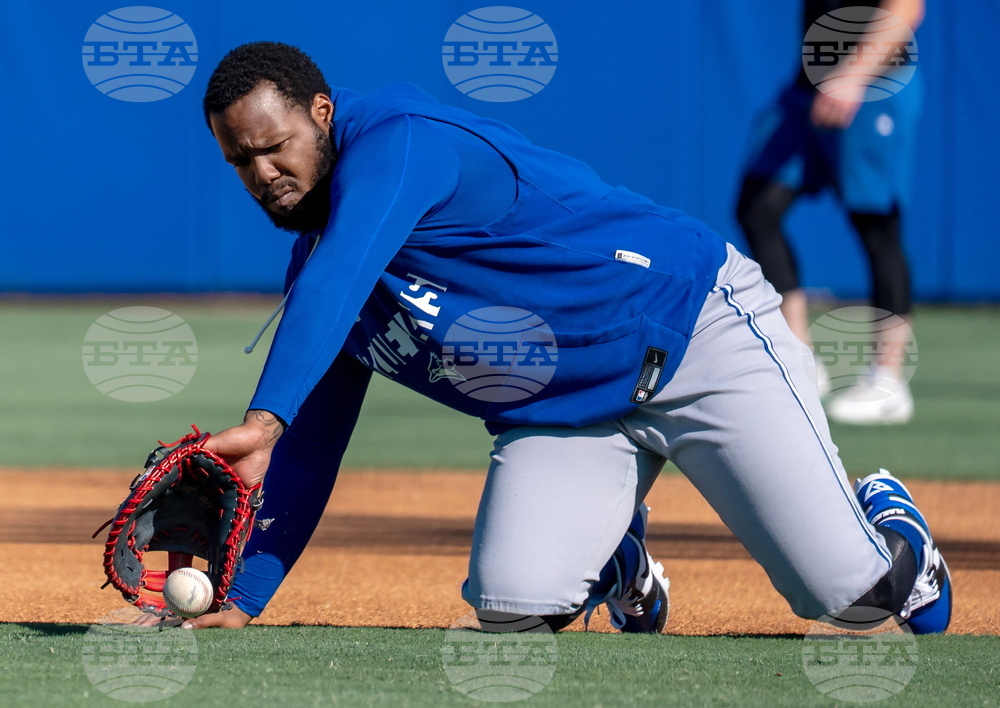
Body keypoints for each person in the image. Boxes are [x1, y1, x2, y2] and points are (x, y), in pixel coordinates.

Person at [180, 42, 950, 635]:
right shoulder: (322, 261)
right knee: (512, 609)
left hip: (694, 336)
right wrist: (244, 598)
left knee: (850, 601)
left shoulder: (400, 142)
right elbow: (312, 446)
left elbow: (342, 270)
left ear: (321, 112)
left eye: (273, 143)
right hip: (564, 410)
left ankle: (893, 532)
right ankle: (620, 557)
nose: (262, 171)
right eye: (239, 159)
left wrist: (261, 417)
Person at [735, 0, 924, 425]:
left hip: (875, 84)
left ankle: (889, 381)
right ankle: (798, 360)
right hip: (808, 87)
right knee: (758, 207)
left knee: (876, 226)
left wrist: (853, 76)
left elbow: (907, 10)